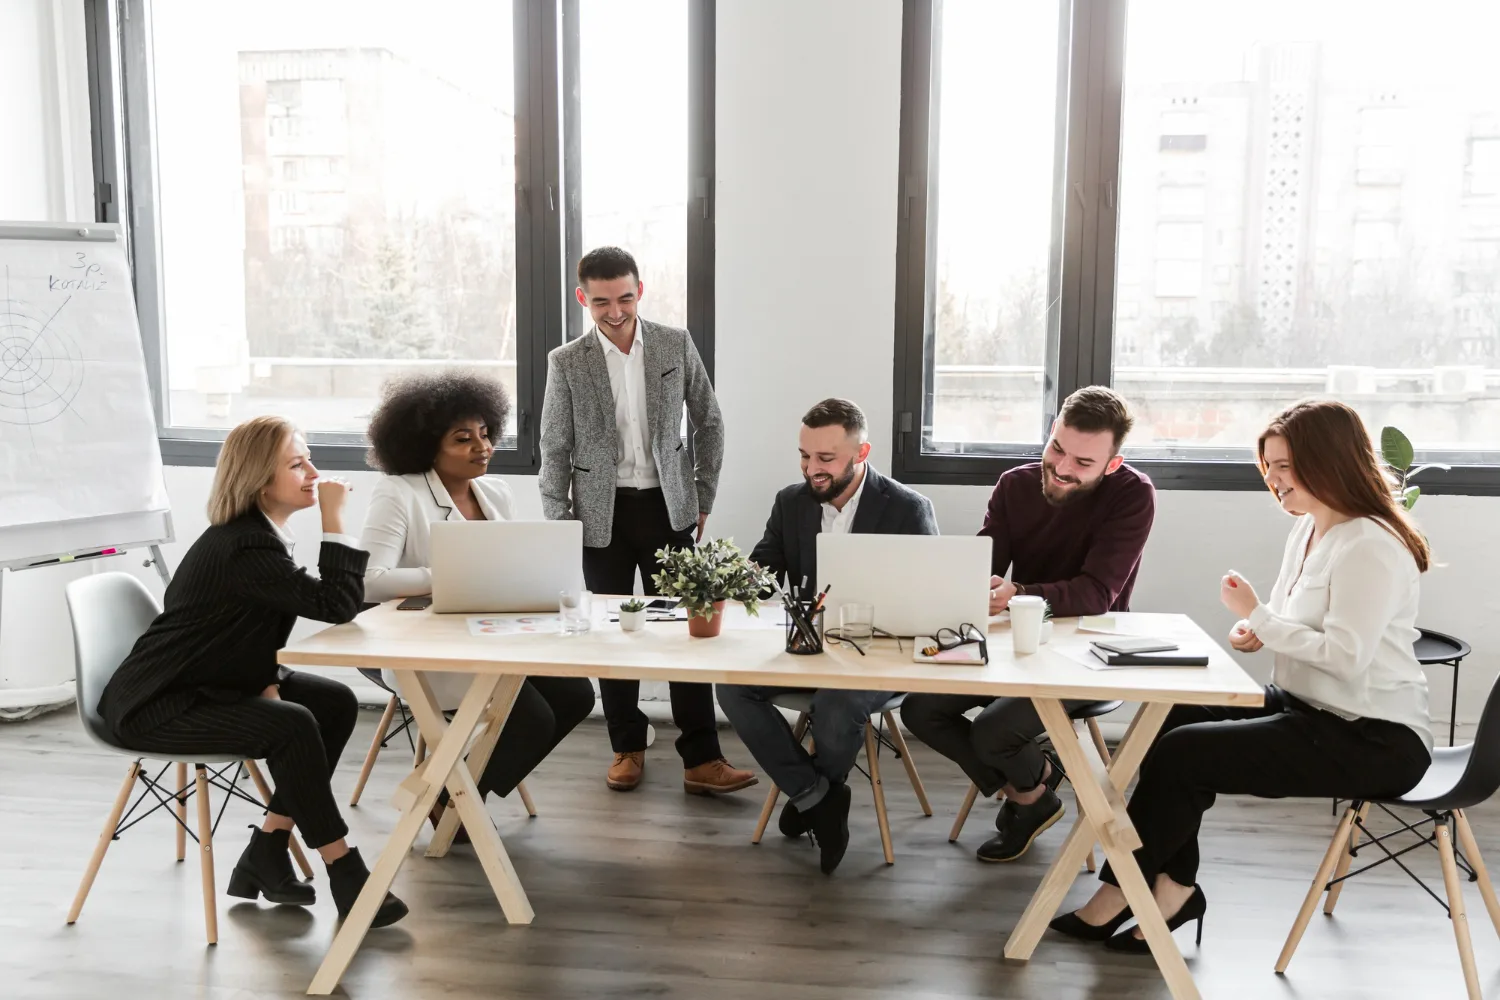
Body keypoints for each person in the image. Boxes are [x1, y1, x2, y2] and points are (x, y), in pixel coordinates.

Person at [1051, 399, 1432, 951]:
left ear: (1328, 461)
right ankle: (1172, 888)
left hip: (1371, 735)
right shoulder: (1307, 531)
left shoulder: (1371, 544)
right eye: (1269, 467)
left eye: (1285, 466)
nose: (1274, 481)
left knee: (1187, 756)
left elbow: (1346, 656)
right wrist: (1255, 629)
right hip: (1307, 706)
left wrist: (1257, 616)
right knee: (1171, 717)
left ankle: (1125, 893)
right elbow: (1282, 624)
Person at [96, 416, 407, 927]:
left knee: (334, 703)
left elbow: (237, 632)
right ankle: (345, 871)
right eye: (296, 463)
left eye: (308, 458)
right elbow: (336, 603)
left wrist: (265, 678)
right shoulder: (244, 546)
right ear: (261, 480)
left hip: (206, 684)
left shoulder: (256, 537)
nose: (312, 470)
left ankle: (266, 851)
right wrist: (335, 521)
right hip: (158, 705)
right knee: (294, 723)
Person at [901, 385, 1155, 863]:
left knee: (993, 732)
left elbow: (1098, 594)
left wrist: (1018, 593)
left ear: (1111, 464)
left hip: (1089, 654)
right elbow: (983, 565)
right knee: (919, 709)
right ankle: (1033, 792)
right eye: (1057, 448)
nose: (1062, 468)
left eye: (1083, 463)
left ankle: (1025, 786)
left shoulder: (1132, 495)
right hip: (1016, 645)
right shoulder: (1015, 485)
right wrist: (947, 586)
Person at [539, 245, 754, 795]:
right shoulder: (566, 362)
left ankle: (701, 759)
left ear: (641, 291)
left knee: (687, 632)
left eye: (626, 298)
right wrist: (560, 522)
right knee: (612, 635)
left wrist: (702, 493)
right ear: (584, 298)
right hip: (598, 515)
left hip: (669, 507)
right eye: (602, 302)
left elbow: (710, 421)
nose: (616, 311)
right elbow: (554, 446)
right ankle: (626, 747)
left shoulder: (674, 344)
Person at [361, 370, 596, 829]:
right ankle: (460, 805)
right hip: (424, 646)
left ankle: (453, 795)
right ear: (427, 444)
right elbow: (368, 582)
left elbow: (504, 565)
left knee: (575, 695)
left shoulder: (496, 492)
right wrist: (446, 575)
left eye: (485, 434)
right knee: (529, 716)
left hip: (493, 638)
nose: (482, 447)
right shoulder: (398, 494)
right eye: (463, 439)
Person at [717, 398, 939, 874]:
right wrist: (737, 577)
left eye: (825, 459)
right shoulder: (790, 502)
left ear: (861, 453)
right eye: (804, 455)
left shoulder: (908, 509)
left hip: (882, 655)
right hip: (808, 647)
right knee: (731, 685)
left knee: (838, 702)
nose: (810, 469)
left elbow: (928, 602)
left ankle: (811, 796)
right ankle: (818, 797)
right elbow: (766, 565)